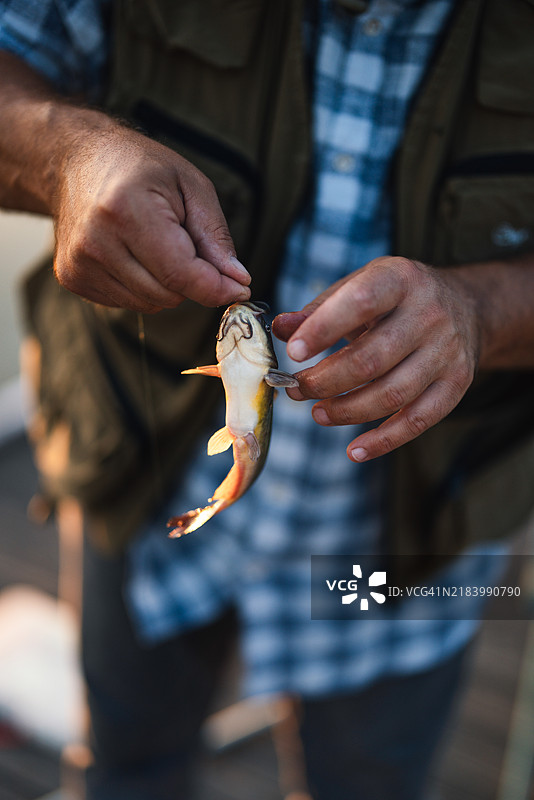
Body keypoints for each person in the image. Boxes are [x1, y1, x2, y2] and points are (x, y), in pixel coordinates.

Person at [1, 0, 534, 798]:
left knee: (373, 784)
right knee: (125, 764)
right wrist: (62, 154)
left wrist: (488, 311)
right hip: (137, 480)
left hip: (417, 550)